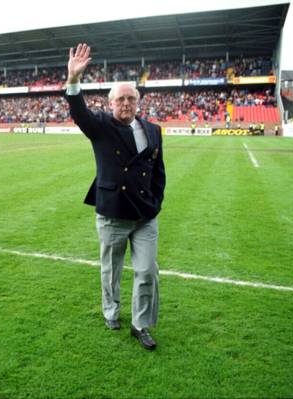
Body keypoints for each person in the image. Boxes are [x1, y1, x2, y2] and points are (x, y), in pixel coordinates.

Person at [65, 43, 166, 351]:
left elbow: (158, 170)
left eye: (130, 98)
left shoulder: (153, 129)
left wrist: (156, 202)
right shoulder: (101, 126)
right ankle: (111, 312)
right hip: (112, 213)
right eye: (120, 98)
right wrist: (73, 79)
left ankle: (141, 325)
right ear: (110, 104)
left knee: (148, 271)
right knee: (112, 271)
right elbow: (78, 111)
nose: (125, 103)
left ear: (138, 101)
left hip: (145, 215)